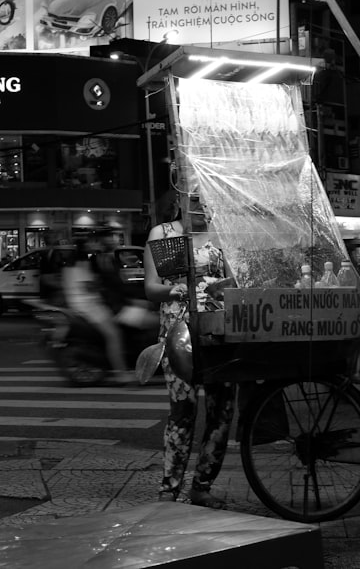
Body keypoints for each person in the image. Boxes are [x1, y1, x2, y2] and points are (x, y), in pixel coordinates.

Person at [143, 192, 236, 509]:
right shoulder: (164, 234)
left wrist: (221, 286)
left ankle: (203, 485)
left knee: (222, 411)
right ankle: (169, 488)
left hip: (218, 330)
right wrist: (175, 288)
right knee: (182, 412)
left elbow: (235, 281)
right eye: (193, 196)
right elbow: (151, 287)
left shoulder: (222, 235)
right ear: (181, 195)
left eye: (204, 196)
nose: (200, 203)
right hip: (177, 334)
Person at [63, 231, 134, 385]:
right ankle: (121, 373)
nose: (95, 245)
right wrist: (101, 283)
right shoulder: (81, 263)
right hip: (88, 306)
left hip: (85, 305)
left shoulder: (74, 263)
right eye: (92, 242)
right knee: (114, 335)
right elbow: (89, 286)